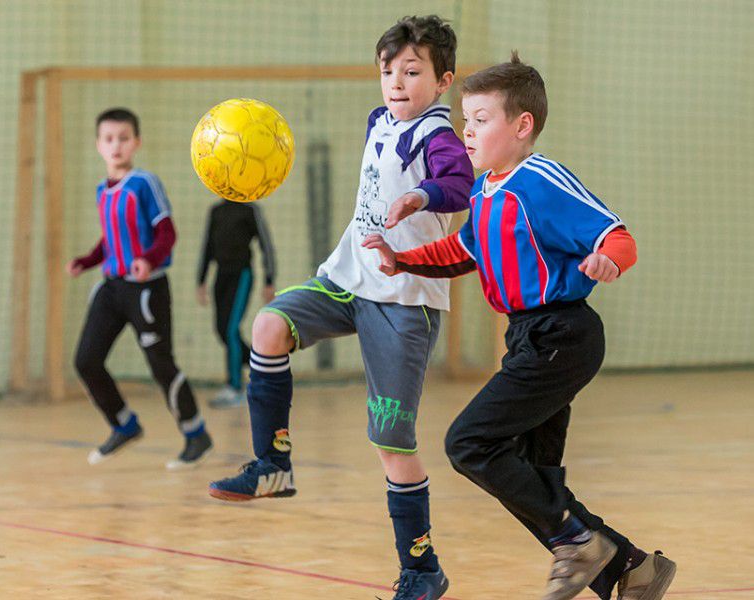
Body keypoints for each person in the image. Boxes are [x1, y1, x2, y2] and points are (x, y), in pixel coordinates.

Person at [362, 53, 676, 600]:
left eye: (481, 120)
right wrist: (401, 258)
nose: (468, 131)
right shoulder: (485, 194)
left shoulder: (539, 179)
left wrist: (609, 260)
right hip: (528, 339)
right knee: (536, 472)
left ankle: (579, 541)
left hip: (563, 335)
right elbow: (460, 251)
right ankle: (633, 567)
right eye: (466, 120)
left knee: (470, 443)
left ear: (521, 125)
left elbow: (615, 235)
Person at [209, 16, 474, 600]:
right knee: (269, 324)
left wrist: (421, 194)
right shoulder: (378, 121)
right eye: (388, 71)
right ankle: (272, 465)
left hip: (404, 300)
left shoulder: (438, 137)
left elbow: (462, 184)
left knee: (392, 443)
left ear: (444, 80)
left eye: (412, 71)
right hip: (347, 278)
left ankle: (422, 568)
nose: (397, 83)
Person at [67, 107, 213, 471]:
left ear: (136, 142)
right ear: (98, 145)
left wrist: (148, 260)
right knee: (86, 360)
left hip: (146, 289)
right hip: (111, 288)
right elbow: (111, 240)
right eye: (108, 138)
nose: (116, 145)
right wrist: (87, 260)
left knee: (160, 364)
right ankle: (123, 424)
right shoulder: (103, 190)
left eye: (123, 138)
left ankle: (196, 434)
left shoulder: (145, 183)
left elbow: (167, 232)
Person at [196, 198, 277, 408]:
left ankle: (235, 387)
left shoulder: (250, 210)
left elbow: (266, 245)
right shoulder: (216, 211)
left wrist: (269, 280)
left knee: (231, 330)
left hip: (241, 275)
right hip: (221, 276)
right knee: (221, 330)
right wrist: (201, 280)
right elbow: (207, 246)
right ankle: (263, 368)